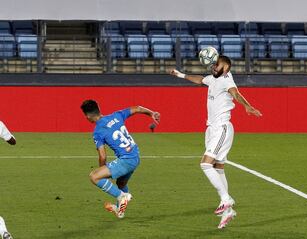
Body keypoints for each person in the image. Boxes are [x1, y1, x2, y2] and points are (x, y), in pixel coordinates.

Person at [170, 55, 262, 229]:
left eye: (217, 64)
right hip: (212, 129)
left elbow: (236, 93)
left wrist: (247, 106)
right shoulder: (213, 79)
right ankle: (228, 211)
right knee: (218, 167)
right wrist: (181, 75)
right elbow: (199, 80)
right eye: (213, 64)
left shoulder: (226, 80)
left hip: (222, 128)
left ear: (226, 67)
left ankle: (226, 199)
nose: (213, 67)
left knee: (205, 164)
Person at [80, 100, 160, 218]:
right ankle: (120, 210)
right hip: (135, 156)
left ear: (87, 116)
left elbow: (102, 155)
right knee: (121, 184)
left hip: (126, 160)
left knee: (94, 176)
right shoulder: (117, 115)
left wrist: (102, 170)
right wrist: (151, 113)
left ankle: (121, 196)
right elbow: (137, 108)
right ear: (99, 109)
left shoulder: (98, 131)